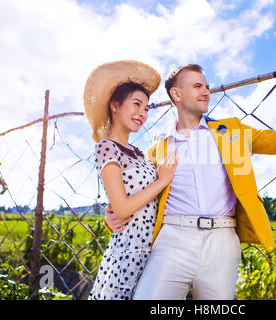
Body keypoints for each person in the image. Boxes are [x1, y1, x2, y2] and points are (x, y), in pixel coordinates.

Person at [104, 64, 276, 299]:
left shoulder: (231, 131)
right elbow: (140, 196)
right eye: (197, 85)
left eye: (207, 86)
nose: (206, 91)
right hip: (171, 241)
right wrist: (112, 216)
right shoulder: (157, 148)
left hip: (222, 242)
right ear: (176, 94)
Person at [83, 60, 178, 300]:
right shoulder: (106, 147)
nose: (143, 114)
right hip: (127, 254)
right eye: (137, 104)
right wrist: (161, 181)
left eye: (146, 108)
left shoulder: (139, 153)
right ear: (115, 105)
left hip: (152, 251)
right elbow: (123, 207)